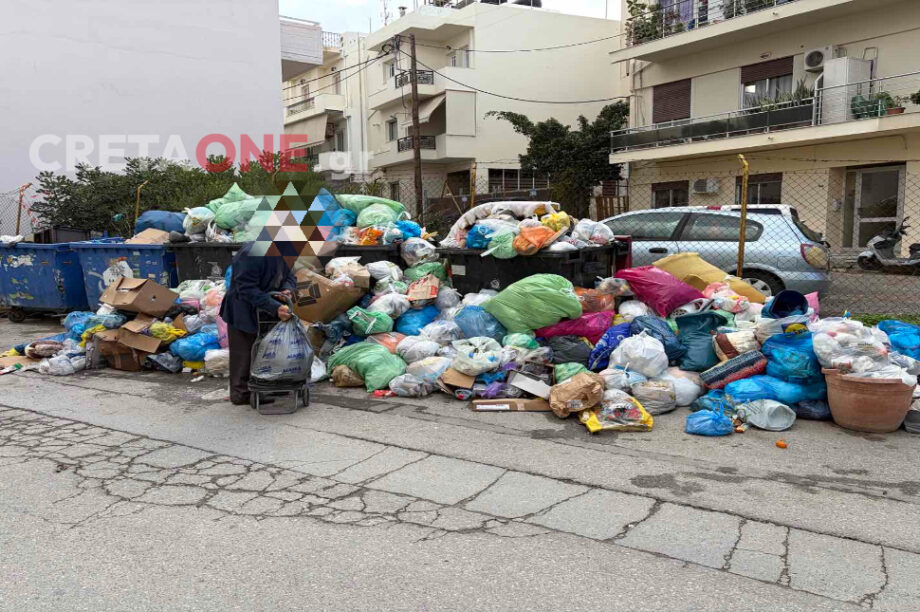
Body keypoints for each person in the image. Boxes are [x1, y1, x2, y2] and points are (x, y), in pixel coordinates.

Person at [219, 242, 297, 405]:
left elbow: (290, 276)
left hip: (266, 308)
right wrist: (274, 307)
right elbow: (245, 288)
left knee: (266, 349)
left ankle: (266, 387)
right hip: (242, 309)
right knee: (244, 352)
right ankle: (241, 394)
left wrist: (287, 289)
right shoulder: (251, 253)